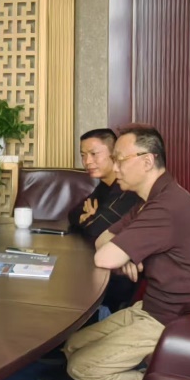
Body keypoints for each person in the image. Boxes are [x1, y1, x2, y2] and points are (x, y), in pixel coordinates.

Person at [40, 124, 190, 380]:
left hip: (175, 318)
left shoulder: (166, 205)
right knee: (73, 344)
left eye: (120, 160)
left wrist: (123, 254)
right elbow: (103, 239)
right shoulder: (148, 201)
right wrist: (124, 255)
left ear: (147, 161)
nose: (115, 167)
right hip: (151, 307)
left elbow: (104, 256)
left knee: (81, 367)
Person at [67, 128, 141, 312]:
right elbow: (73, 214)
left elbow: (96, 228)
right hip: (102, 264)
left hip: (123, 281)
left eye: (94, 154)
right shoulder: (104, 187)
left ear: (114, 154)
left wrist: (91, 220)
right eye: (83, 155)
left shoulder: (127, 189)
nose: (87, 161)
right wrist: (89, 219)